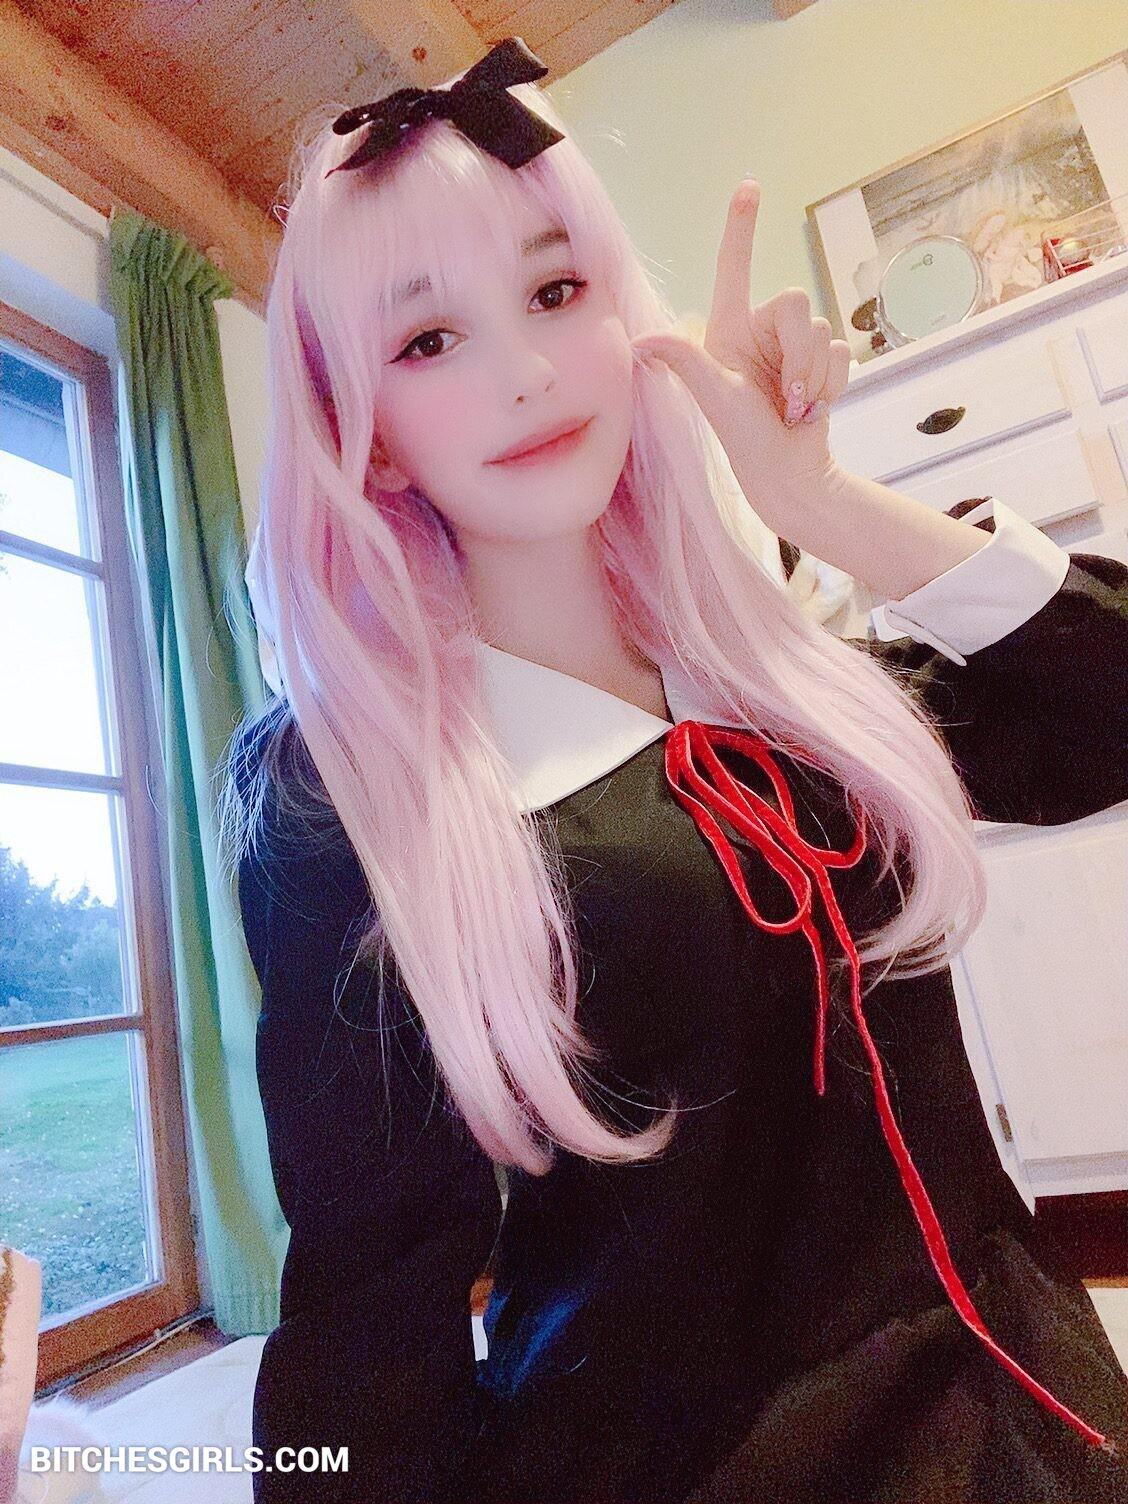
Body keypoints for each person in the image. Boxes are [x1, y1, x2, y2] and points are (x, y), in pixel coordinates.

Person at [216, 37, 1128, 1503]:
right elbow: (368, 1304)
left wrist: (821, 500)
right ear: (368, 442)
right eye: (428, 340)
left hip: (1028, 1397)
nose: (525, 373)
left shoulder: (790, 688)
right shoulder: (348, 793)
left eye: (555, 292)